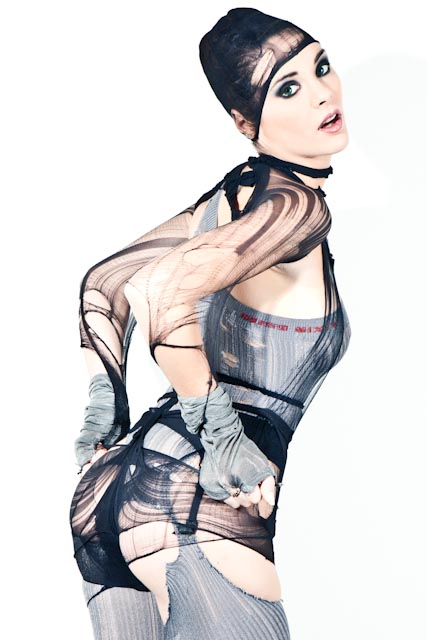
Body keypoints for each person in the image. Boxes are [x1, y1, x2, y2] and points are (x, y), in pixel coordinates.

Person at [70, 7, 352, 640]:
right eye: (287, 88)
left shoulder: (228, 201)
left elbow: (105, 283)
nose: (322, 93)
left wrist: (104, 408)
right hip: (196, 493)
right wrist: (221, 432)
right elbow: (157, 287)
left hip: (109, 494)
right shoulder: (295, 208)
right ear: (245, 123)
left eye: (322, 67)